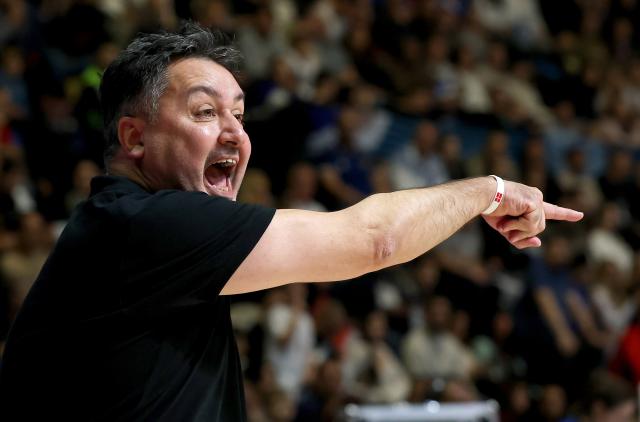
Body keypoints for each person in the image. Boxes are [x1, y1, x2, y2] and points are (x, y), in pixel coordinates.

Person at [0, 22, 583, 421]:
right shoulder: (147, 224)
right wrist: (490, 189)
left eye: (240, 113)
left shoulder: (133, 232)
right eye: (205, 112)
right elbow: (374, 240)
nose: (235, 132)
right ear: (135, 138)